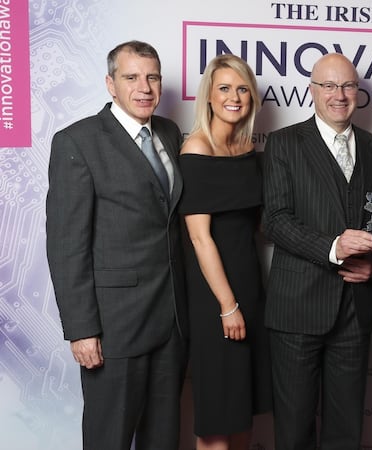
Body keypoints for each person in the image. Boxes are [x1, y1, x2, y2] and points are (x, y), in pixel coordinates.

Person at [45, 40, 187, 449]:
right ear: (110, 84)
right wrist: (82, 330)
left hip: (171, 323)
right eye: (131, 77)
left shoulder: (169, 133)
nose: (144, 87)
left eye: (152, 77)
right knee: (109, 438)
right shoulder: (77, 141)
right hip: (114, 328)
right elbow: (67, 245)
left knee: (163, 438)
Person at [261, 52, 372, 450]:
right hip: (296, 307)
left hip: (354, 309)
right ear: (312, 90)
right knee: (294, 430)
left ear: (358, 91)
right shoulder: (283, 143)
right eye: (329, 85)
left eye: (347, 86)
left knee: (346, 431)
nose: (339, 95)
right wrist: (332, 247)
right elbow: (275, 219)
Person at [179, 54, 272, 450]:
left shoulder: (247, 148)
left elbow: (255, 224)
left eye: (242, 89)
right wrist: (227, 305)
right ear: (209, 96)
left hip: (249, 284)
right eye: (224, 88)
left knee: (242, 413)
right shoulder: (196, 149)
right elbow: (200, 239)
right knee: (217, 420)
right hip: (214, 295)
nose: (234, 97)